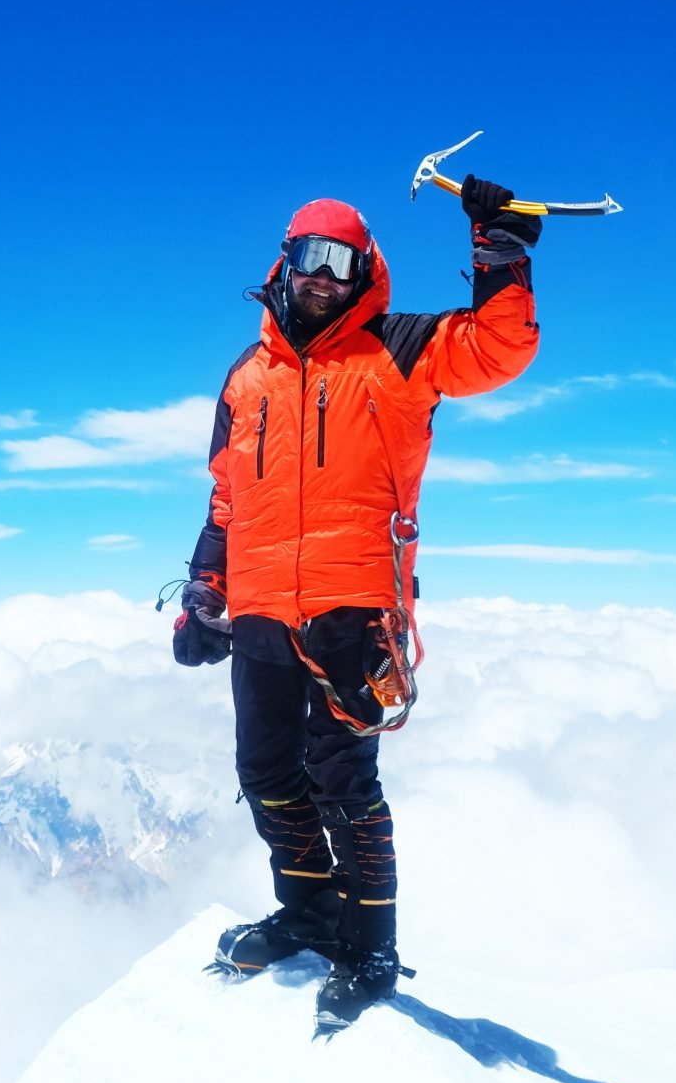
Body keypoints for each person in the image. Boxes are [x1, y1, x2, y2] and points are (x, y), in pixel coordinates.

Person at [172, 176, 542, 1030]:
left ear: (365, 270)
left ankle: (371, 948)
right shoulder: (246, 378)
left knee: (344, 781)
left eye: (341, 262)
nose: (322, 276)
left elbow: (497, 349)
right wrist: (204, 589)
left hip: (356, 609)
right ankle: (308, 911)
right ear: (285, 262)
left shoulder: (400, 349)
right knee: (266, 772)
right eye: (310, 257)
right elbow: (227, 499)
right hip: (262, 609)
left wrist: (499, 251)